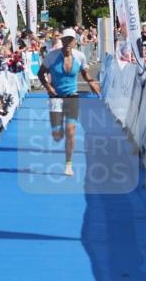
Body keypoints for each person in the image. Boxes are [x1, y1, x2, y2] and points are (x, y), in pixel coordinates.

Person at [38, 28, 101, 177]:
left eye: (70, 40)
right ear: (62, 40)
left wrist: (92, 83)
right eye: (65, 39)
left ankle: (68, 165)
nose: (67, 43)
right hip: (55, 97)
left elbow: (85, 73)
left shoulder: (80, 56)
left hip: (72, 96)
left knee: (71, 131)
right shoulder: (52, 56)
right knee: (57, 135)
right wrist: (48, 87)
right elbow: (40, 73)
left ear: (74, 42)